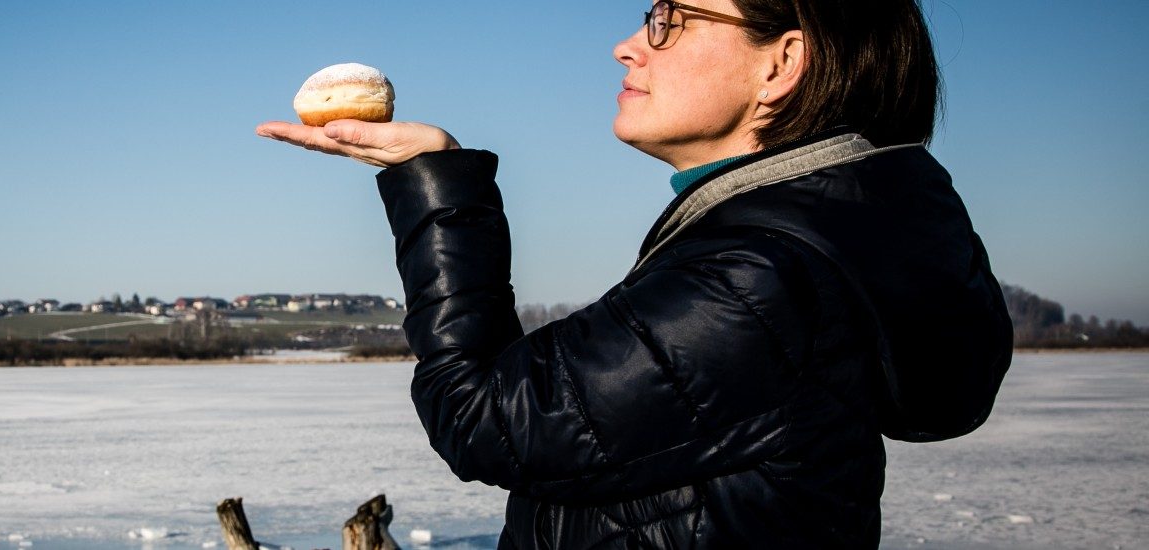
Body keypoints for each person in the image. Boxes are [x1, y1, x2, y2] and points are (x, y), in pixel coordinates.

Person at [257, 0, 1012, 547]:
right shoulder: (806, 245)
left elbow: (483, 417)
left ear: (782, 62)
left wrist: (439, 186)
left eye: (668, 19)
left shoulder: (759, 280)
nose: (627, 45)